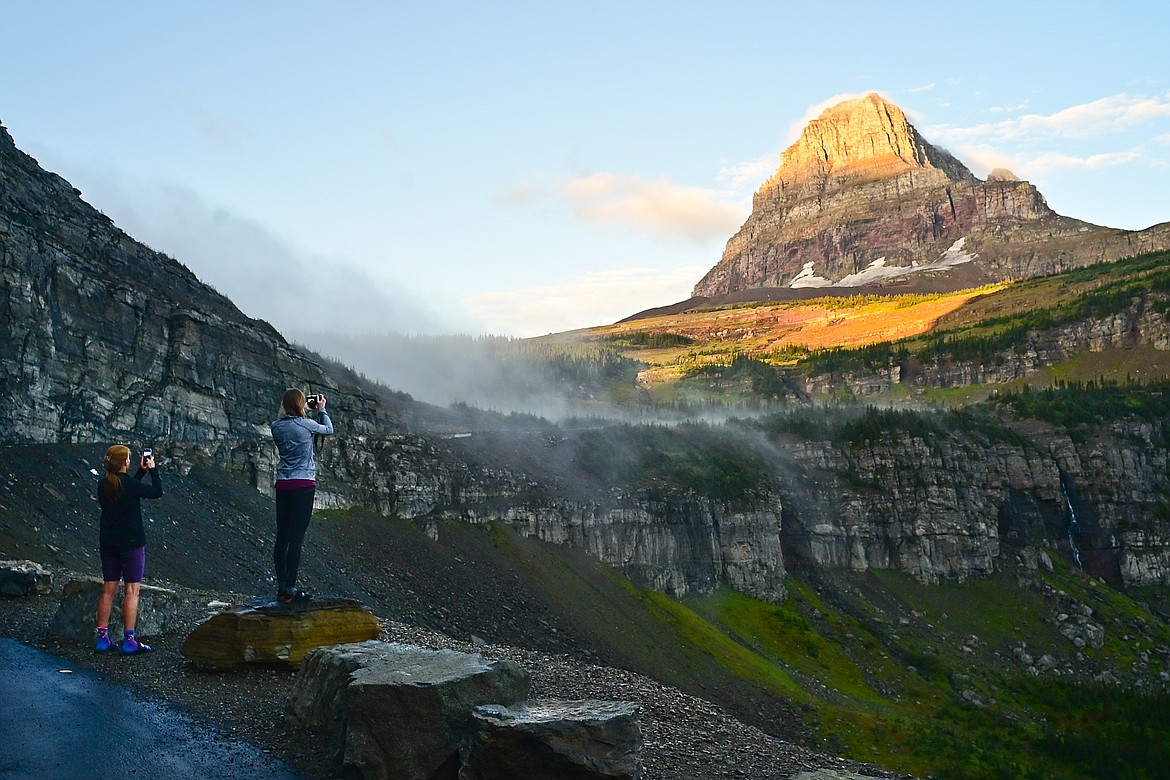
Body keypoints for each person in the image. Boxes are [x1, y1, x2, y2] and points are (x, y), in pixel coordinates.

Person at [95, 444, 163, 654]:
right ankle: (129, 640)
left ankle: (102, 638)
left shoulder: (103, 484)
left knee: (108, 589)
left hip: (108, 542)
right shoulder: (129, 486)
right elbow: (156, 491)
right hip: (131, 543)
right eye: (129, 459)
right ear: (125, 462)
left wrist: (140, 472)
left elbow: (125, 485)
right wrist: (152, 469)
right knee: (132, 590)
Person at [269, 388, 334, 604]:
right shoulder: (306, 424)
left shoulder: (276, 426)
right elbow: (328, 429)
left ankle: (281, 587)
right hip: (304, 484)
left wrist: (301, 408)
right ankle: (291, 589)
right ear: (300, 404)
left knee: (282, 536)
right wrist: (321, 409)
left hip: (283, 484)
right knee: (296, 537)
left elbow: (290, 419)